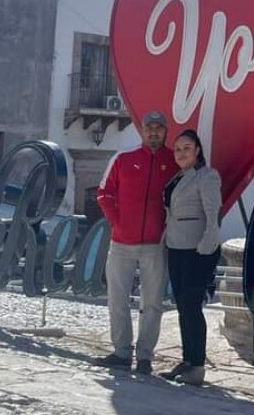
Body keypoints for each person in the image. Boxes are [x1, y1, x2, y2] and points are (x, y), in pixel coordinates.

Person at [93, 111, 177, 375]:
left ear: (165, 132)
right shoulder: (123, 159)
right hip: (121, 243)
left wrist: (166, 229)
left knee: (152, 304)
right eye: (149, 127)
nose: (154, 132)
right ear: (142, 130)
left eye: (159, 128)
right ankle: (121, 352)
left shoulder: (174, 163)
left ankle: (144, 357)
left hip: (155, 245)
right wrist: (117, 222)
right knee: (117, 299)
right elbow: (104, 192)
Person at [160, 129, 222, 385]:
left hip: (197, 251)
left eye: (187, 148)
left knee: (192, 307)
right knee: (183, 306)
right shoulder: (178, 177)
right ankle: (187, 360)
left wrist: (206, 248)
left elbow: (213, 215)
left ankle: (197, 366)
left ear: (197, 150)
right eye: (177, 149)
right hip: (176, 247)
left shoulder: (207, 176)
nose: (181, 153)